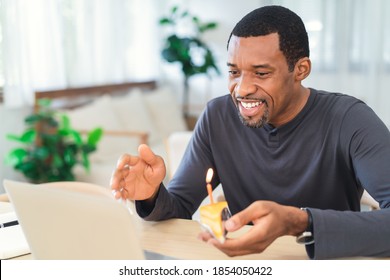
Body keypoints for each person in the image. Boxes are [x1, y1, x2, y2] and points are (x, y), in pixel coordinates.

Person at [111, 5, 390, 259]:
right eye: (234, 72)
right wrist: (149, 195)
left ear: (301, 69)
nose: (242, 89)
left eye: (261, 73)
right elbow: (180, 207)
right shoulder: (216, 117)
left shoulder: (350, 119)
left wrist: (300, 221)